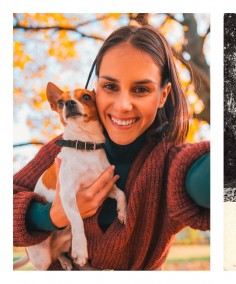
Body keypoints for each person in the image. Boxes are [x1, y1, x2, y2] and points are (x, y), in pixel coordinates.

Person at [13, 25, 210, 270]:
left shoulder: (170, 162)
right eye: (110, 86)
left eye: (141, 89)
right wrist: (50, 216)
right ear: (96, 89)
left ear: (162, 95)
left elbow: (203, 178)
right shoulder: (60, 149)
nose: (122, 105)